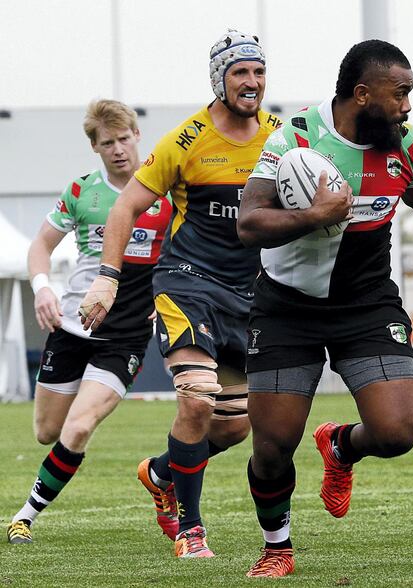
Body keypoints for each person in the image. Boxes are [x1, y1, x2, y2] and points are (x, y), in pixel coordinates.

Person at [237, 39, 413, 578]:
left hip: (367, 303)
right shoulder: (297, 138)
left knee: (397, 432)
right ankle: (278, 547)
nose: (408, 106)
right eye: (400, 94)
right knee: (273, 445)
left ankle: (341, 446)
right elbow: (249, 222)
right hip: (287, 307)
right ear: (362, 94)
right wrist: (314, 214)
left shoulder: (406, 143)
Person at [78, 30, 281, 558]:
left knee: (234, 428)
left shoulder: (284, 138)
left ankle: (161, 472)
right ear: (219, 78)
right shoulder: (185, 140)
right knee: (196, 398)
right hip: (187, 282)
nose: (252, 82)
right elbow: (124, 209)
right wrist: (107, 277)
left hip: (249, 296)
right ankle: (191, 530)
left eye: (259, 72)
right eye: (240, 72)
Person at [6, 100, 172, 545]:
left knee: (79, 427)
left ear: (137, 136)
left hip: (126, 336)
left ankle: (24, 517)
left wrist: (170, 295)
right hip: (73, 327)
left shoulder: (167, 192)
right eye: (107, 143)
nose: (118, 149)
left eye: (123, 139)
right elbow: (39, 245)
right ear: (95, 148)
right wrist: (43, 287)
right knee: (46, 433)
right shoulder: (82, 191)